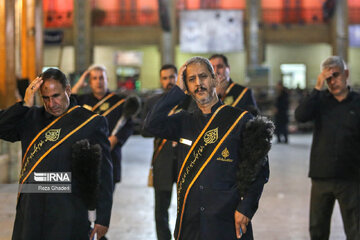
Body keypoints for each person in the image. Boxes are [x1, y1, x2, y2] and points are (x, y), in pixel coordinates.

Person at [144, 57, 273, 240]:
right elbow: (150, 125)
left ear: (215, 79)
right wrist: (177, 90)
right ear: (187, 88)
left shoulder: (240, 120)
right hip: (190, 222)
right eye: (191, 79)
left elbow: (260, 169)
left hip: (227, 220)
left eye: (203, 76)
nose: (198, 84)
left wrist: (246, 208)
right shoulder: (183, 121)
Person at [0, 68, 113, 239]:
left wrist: (102, 218)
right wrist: (24, 105)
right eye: (45, 98)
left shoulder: (90, 122)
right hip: (32, 208)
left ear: (68, 90)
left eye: (56, 96)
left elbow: (104, 172)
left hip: (68, 209)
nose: (52, 104)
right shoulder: (31, 118)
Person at [295, 56, 360, 240]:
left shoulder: (357, 102)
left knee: (355, 230)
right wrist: (317, 87)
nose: (332, 82)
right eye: (328, 78)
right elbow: (301, 116)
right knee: (317, 229)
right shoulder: (320, 101)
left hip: (351, 178)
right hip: (321, 176)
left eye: (336, 75)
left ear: (346, 74)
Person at [141, 64, 193, 240]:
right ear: (160, 80)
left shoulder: (189, 100)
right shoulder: (153, 102)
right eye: (165, 78)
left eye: (172, 77)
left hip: (185, 160)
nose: (169, 81)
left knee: (186, 207)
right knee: (160, 211)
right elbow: (145, 130)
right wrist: (166, 127)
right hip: (162, 160)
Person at [72, 64, 133, 186]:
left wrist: (115, 139)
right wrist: (78, 85)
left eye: (101, 78)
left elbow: (128, 125)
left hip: (110, 155)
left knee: (106, 200)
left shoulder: (118, 101)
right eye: (94, 78)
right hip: (86, 155)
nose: (98, 81)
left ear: (107, 80)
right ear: (89, 82)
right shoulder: (82, 100)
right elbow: (68, 106)